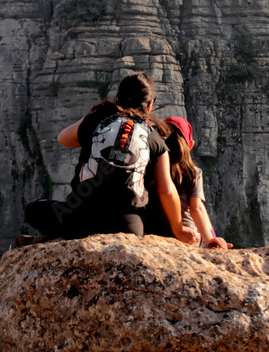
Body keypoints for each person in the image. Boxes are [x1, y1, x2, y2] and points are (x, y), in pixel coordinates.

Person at [24, 72, 200, 245]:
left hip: (81, 221)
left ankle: (52, 239)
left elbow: (63, 138)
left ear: (118, 97)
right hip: (130, 228)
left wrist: (95, 118)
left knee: (34, 209)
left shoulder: (97, 119)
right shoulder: (154, 138)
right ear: (150, 105)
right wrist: (179, 229)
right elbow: (166, 191)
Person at [145, 116, 232, 249]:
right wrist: (209, 239)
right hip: (188, 237)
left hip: (156, 234)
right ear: (190, 145)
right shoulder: (193, 172)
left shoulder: (152, 169)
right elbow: (195, 208)